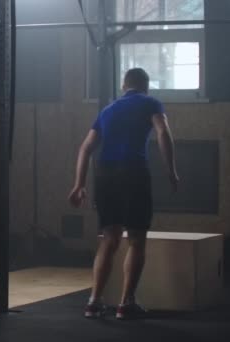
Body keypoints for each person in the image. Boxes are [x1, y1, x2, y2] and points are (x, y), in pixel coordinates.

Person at [68, 68, 179, 320]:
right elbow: (162, 132)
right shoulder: (151, 102)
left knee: (109, 238)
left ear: (123, 86)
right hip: (133, 172)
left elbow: (86, 148)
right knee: (137, 239)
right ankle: (125, 303)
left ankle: (94, 301)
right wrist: (171, 170)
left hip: (105, 174)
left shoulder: (108, 110)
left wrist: (79, 184)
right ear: (145, 86)